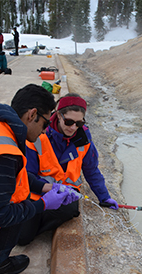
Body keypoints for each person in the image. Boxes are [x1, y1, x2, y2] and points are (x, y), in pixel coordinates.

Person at [0, 84, 79, 274]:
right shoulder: (3, 153)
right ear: (32, 115)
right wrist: (43, 205)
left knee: (20, 203)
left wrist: (46, 186)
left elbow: (14, 177)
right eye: (46, 122)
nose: (46, 130)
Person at [18, 94, 118, 246]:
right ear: (58, 115)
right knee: (22, 239)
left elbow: (91, 171)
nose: (73, 127)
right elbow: (28, 174)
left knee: (70, 210)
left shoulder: (84, 140)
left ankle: (37, 220)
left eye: (79, 123)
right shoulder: (38, 135)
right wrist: (46, 194)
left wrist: (104, 197)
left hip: (65, 196)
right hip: (37, 194)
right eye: (69, 121)